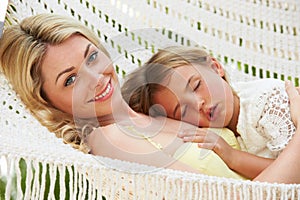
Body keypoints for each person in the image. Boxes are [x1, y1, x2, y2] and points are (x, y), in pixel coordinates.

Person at [1, 13, 300, 184]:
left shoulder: (149, 108)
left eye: (92, 57)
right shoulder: (110, 140)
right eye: (70, 79)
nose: (97, 79)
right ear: (48, 101)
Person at [121, 46, 296, 179]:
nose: (198, 104)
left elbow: (294, 171)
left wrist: (233, 157)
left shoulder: (267, 100)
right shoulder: (223, 131)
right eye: (184, 110)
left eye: (196, 85)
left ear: (215, 67)